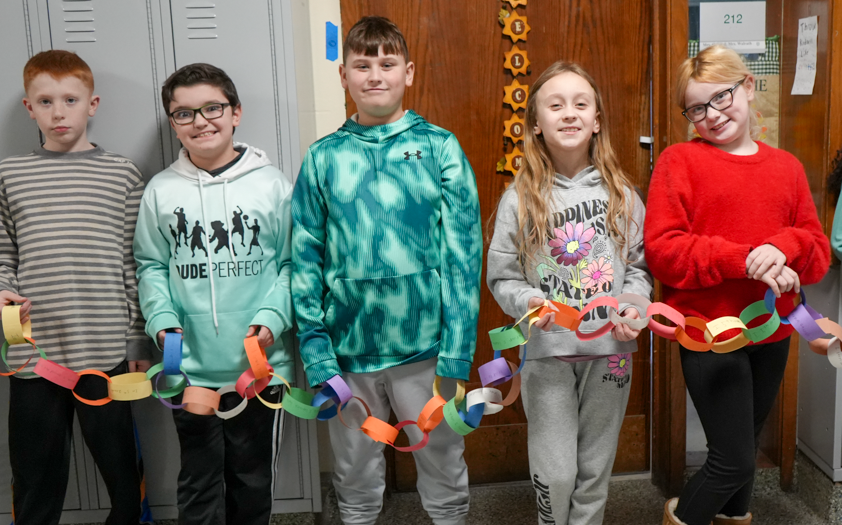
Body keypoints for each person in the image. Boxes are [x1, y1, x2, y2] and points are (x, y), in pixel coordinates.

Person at [291, 16, 482, 525]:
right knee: (354, 470)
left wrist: (458, 352)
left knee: (441, 460)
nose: (375, 75)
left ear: (408, 72)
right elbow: (304, 256)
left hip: (426, 346)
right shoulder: (322, 158)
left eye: (387, 63)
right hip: (348, 350)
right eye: (362, 64)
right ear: (344, 75)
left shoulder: (440, 148)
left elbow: (464, 257)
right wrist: (315, 350)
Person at [644, 45, 829, 525]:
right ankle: (680, 515)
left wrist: (785, 249)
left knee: (742, 453)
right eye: (697, 108)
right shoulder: (678, 161)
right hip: (710, 335)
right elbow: (664, 251)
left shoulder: (786, 168)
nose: (712, 115)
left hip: (772, 332)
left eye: (721, 98)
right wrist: (745, 259)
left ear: (747, 86)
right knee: (733, 463)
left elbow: (816, 252)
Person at [0, 49, 151, 525]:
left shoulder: (122, 174)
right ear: (28, 107)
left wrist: (137, 336)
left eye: (70, 99)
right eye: (46, 101)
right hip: (33, 358)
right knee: (35, 475)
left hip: (106, 352)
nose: (59, 112)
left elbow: (133, 265)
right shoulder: (9, 175)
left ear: (91, 104)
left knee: (121, 472)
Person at [487, 61, 652, 525]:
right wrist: (526, 302)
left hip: (612, 353)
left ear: (597, 120)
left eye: (581, 104)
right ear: (536, 123)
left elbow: (639, 269)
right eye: (555, 105)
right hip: (548, 354)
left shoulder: (623, 195)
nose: (569, 113)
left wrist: (633, 310)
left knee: (594, 470)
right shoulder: (519, 199)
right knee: (556, 472)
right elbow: (502, 275)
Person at [133, 63, 294, 525]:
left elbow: (292, 264)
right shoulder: (161, 191)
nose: (201, 121)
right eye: (184, 113)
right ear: (173, 123)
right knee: (199, 484)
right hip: (190, 370)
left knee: (252, 482)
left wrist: (272, 317)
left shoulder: (273, 185)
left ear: (235, 112)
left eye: (212, 108)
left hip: (260, 370)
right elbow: (150, 265)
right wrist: (161, 322)